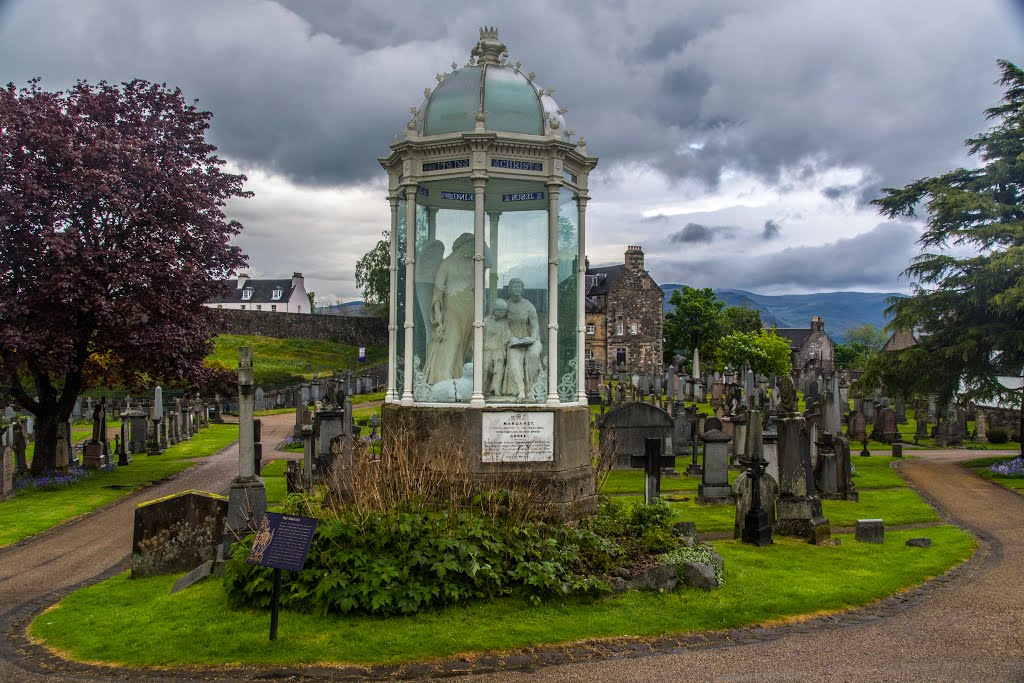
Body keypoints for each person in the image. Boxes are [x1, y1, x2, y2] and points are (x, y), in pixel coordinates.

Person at [423, 233, 475, 384]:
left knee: (464, 345)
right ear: (462, 244)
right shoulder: (446, 264)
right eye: (471, 245)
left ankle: (457, 378)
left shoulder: (472, 263)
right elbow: (437, 291)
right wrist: (438, 313)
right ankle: (444, 379)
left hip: (469, 307)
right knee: (453, 341)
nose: (472, 249)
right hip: (452, 306)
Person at [502, 278, 543, 401]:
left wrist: (532, 338)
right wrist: (511, 338)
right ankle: (520, 390)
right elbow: (503, 326)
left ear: (522, 289)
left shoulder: (529, 306)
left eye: (519, 287)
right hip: (514, 341)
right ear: (509, 289)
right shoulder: (506, 306)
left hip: (531, 340)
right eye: (514, 287)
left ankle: (530, 389)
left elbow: (535, 326)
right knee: (514, 361)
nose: (517, 289)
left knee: (534, 355)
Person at [483, 299, 512, 396]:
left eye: (504, 311)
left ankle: (495, 390)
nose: (503, 313)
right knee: (485, 369)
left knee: (498, 370)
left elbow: (508, 335)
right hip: (487, 349)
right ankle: (482, 389)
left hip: (499, 349)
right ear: (494, 309)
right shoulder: (486, 321)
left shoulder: (504, 322)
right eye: (500, 310)